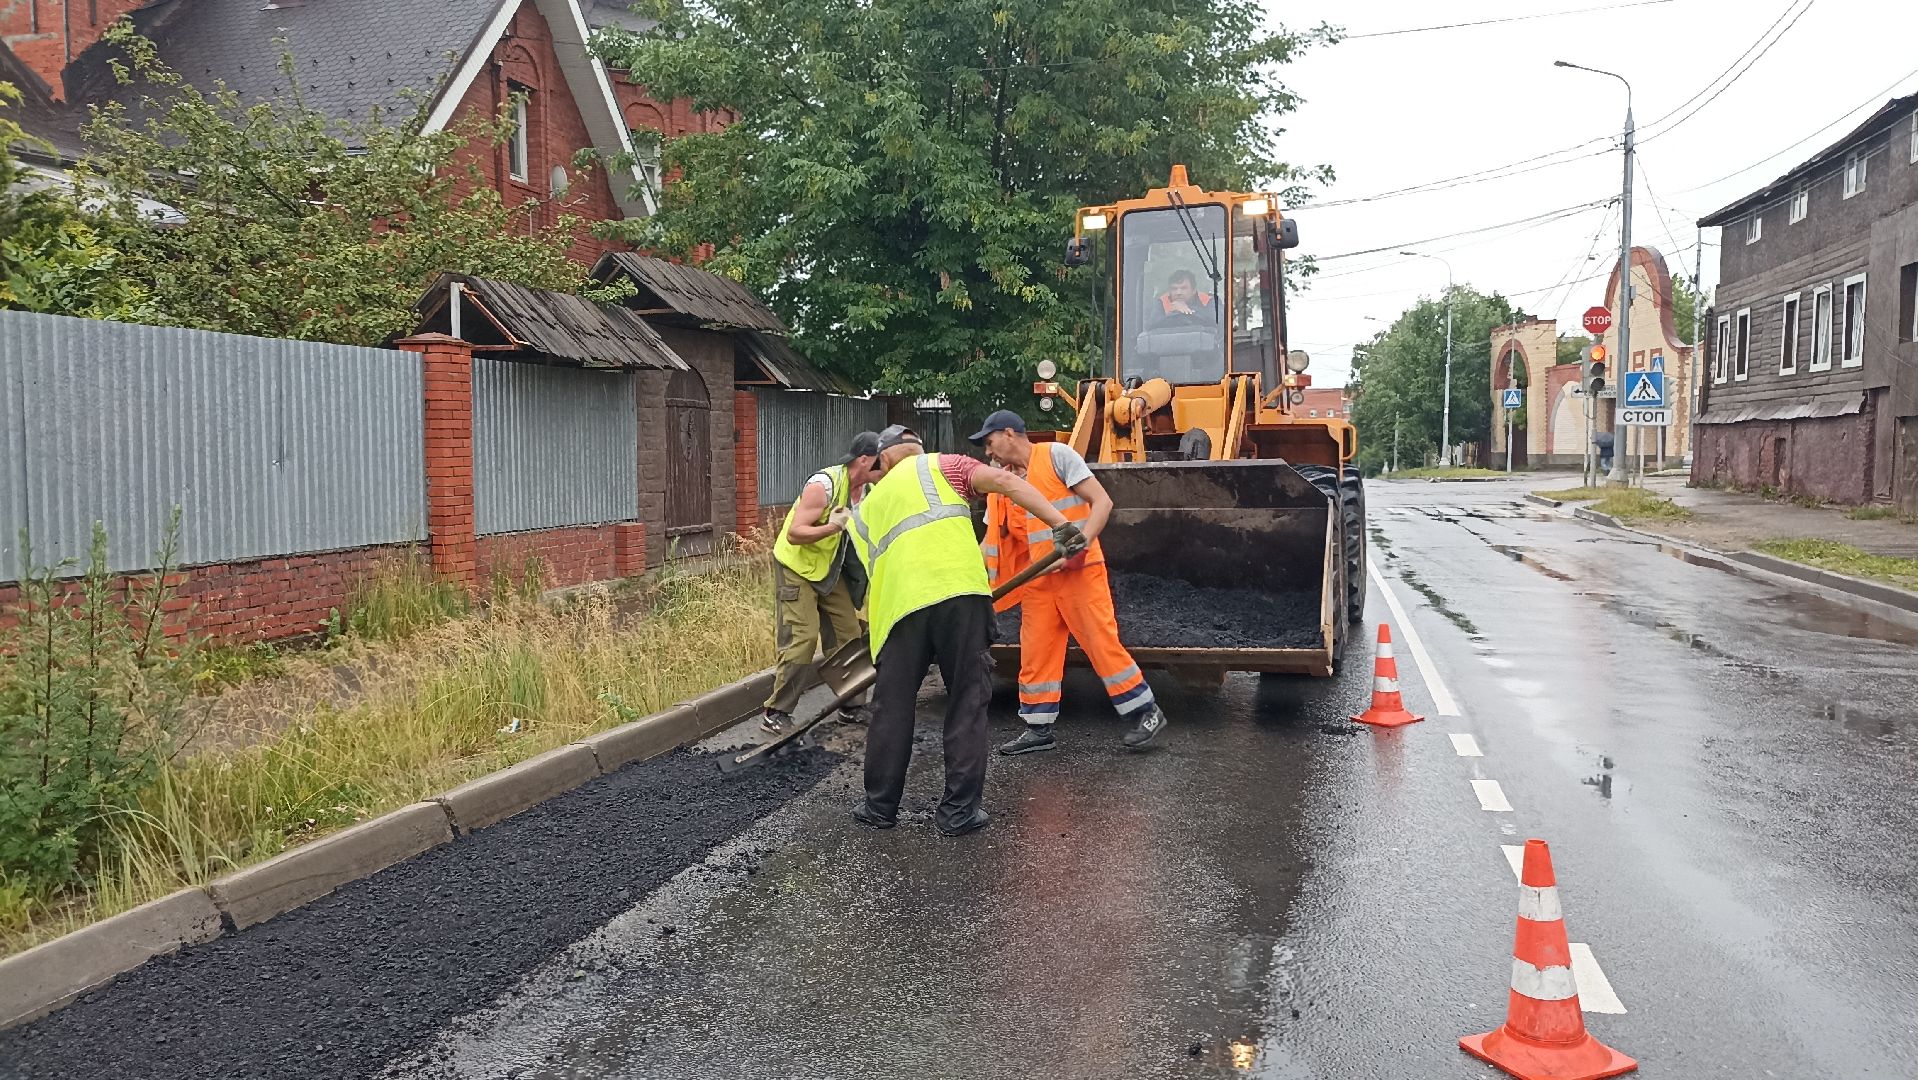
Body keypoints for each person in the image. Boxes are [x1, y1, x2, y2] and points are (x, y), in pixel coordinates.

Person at [844, 424, 1085, 837]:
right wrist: (1060, 524)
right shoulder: (943, 466)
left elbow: (866, 574)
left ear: (882, 461)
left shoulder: (866, 508)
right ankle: (958, 813)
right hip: (960, 596)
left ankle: (879, 808)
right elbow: (1007, 481)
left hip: (899, 611)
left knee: (893, 709)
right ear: (919, 449)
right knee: (967, 702)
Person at [973, 410, 1169, 754]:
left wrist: (1081, 543)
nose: (988, 453)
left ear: (1009, 434)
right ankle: (1038, 729)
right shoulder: (1001, 485)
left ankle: (1145, 713)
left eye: (990, 443)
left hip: (1080, 573)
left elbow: (1102, 502)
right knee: (1036, 653)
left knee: (1100, 643)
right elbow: (991, 542)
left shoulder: (1056, 456)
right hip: (1039, 581)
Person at [760, 431, 883, 734]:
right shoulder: (823, 485)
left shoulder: (867, 492)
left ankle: (851, 707)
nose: (887, 469)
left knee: (850, 634)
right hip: (797, 568)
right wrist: (832, 527)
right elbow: (794, 533)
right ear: (865, 460)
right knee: (802, 638)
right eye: (883, 463)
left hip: (828, 570)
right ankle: (776, 712)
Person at [1150, 269, 1217, 328]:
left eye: (1183, 288)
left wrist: (1188, 310)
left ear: (1193, 290)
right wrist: (1174, 313)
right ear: (1169, 291)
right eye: (1174, 289)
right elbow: (1151, 325)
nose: (1178, 293)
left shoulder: (1209, 300)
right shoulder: (1161, 302)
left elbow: (1218, 321)